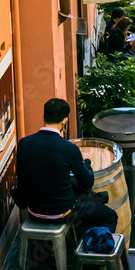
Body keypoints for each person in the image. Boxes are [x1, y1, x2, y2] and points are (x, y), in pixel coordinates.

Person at [16, 98, 118, 233]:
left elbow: (21, 176)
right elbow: (87, 182)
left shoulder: (24, 143)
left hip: (33, 211)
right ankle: (95, 245)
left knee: (88, 197)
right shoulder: (69, 148)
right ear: (65, 120)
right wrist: (87, 164)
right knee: (110, 216)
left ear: (44, 116)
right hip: (63, 213)